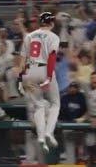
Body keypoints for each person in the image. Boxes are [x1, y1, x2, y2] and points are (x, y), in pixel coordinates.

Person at [17, 12, 60, 153]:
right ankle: (49, 132)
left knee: (38, 106)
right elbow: (52, 57)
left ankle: (41, 136)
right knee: (55, 103)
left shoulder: (29, 36)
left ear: (41, 22)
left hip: (30, 71)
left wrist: (21, 79)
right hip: (44, 68)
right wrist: (48, 77)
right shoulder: (53, 36)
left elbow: (22, 60)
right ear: (52, 23)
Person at [60, 82, 87, 164]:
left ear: (77, 88)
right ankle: (70, 161)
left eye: (74, 87)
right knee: (69, 147)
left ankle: (81, 157)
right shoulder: (64, 97)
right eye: (71, 87)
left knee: (82, 148)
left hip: (80, 126)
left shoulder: (81, 97)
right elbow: (61, 113)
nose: (72, 89)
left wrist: (82, 118)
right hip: (67, 126)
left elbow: (86, 110)